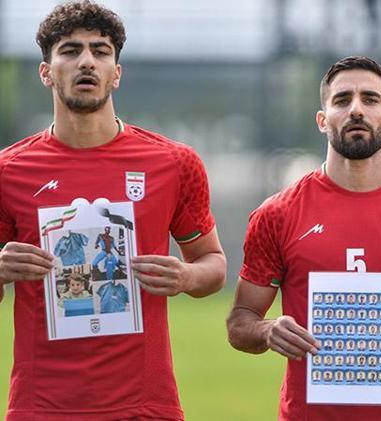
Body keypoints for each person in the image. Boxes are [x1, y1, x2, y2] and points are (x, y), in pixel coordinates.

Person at [0, 1, 226, 419]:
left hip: (145, 405)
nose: (87, 61)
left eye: (100, 51)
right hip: (41, 405)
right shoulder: (8, 170)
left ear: (116, 73)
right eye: (71, 50)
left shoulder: (173, 163)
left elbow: (213, 265)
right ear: (46, 72)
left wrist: (186, 276)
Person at [226, 56, 381, 420]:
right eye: (342, 100)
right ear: (322, 120)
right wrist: (267, 331)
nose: (356, 109)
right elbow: (240, 322)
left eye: (370, 99)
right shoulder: (278, 213)